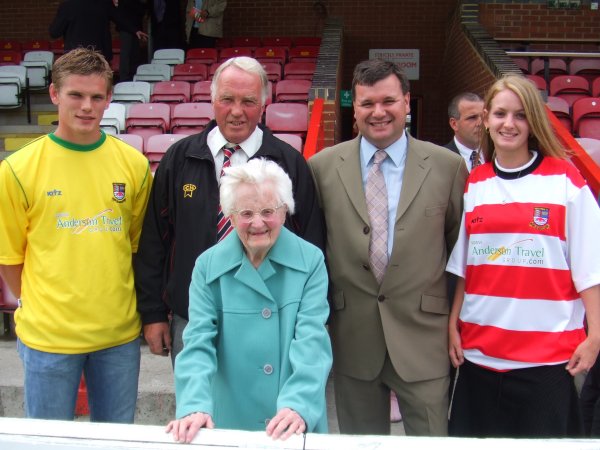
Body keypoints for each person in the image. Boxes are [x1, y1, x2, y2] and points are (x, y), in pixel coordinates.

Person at [308, 59, 468, 436]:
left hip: (424, 337)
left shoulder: (447, 167)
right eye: (367, 104)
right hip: (353, 336)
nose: (378, 112)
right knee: (359, 443)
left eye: (388, 101)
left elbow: (459, 251)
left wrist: (455, 322)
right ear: (355, 108)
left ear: (407, 102)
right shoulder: (322, 167)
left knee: (431, 442)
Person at [135, 56, 324, 365]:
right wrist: (153, 313)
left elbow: (311, 245)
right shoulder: (179, 159)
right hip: (193, 318)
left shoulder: (288, 163)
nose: (237, 111)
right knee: (198, 408)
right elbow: (156, 239)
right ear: (212, 100)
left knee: (266, 412)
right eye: (227, 99)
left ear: (264, 104)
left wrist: (307, 319)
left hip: (271, 318)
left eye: (248, 101)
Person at [0, 48, 152, 422]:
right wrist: (44, 307)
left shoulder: (133, 164)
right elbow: (10, 259)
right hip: (48, 340)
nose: (87, 106)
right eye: (76, 95)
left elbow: (135, 247)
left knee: (116, 444)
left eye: (97, 97)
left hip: (117, 338)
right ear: (54, 94)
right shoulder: (17, 170)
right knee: (49, 443)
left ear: (109, 99)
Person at [446, 74, 600, 437]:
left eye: (520, 115)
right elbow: (466, 267)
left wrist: (595, 335)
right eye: (500, 113)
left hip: (544, 362)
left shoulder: (566, 181)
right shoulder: (476, 181)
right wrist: (453, 324)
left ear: (533, 121)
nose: (508, 124)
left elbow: (590, 269)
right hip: (478, 358)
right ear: (486, 119)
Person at [166, 158, 332, 443]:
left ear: (285, 211)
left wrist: (298, 404)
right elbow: (197, 342)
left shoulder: (310, 261)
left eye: (268, 211)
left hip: (290, 422)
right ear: (229, 215)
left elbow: (312, 342)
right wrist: (194, 403)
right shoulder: (207, 266)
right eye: (246, 213)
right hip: (229, 419)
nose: (258, 223)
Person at [49, 0, 148, 64]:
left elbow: (54, 32)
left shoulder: (67, 6)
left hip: (76, 58)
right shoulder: (104, 3)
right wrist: (135, 30)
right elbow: (120, 18)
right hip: (100, 57)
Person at [444, 92, 485, 172]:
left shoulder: (498, 155)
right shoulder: (440, 158)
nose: (480, 123)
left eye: (483, 117)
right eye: (472, 117)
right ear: (454, 124)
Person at [115, 0, 147, 81]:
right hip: (127, 27)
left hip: (133, 27)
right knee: (127, 52)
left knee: (134, 53)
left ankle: (132, 76)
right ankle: (124, 78)